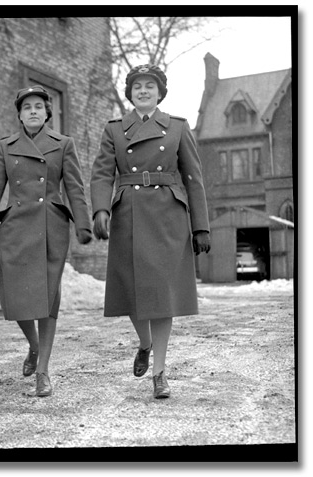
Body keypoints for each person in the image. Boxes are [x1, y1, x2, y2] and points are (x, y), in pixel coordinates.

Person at [90, 64, 211, 399]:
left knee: (162, 298)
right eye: (137, 86)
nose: (143, 91)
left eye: (150, 86)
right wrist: (100, 209)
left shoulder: (177, 127)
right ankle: (144, 343)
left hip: (167, 218)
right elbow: (101, 174)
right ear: (129, 93)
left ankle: (159, 372)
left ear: (160, 93)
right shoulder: (114, 130)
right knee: (129, 291)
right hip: (128, 213)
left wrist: (200, 226)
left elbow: (194, 179)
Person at [0, 85, 92, 397]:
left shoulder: (63, 144)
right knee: (15, 300)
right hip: (16, 227)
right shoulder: (5, 147)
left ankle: (43, 371)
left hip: (50, 226)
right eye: (27, 108)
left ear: (47, 112)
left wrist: (83, 223)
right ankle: (35, 346)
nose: (33, 112)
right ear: (20, 114)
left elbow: (75, 188)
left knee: (47, 301)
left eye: (39, 106)